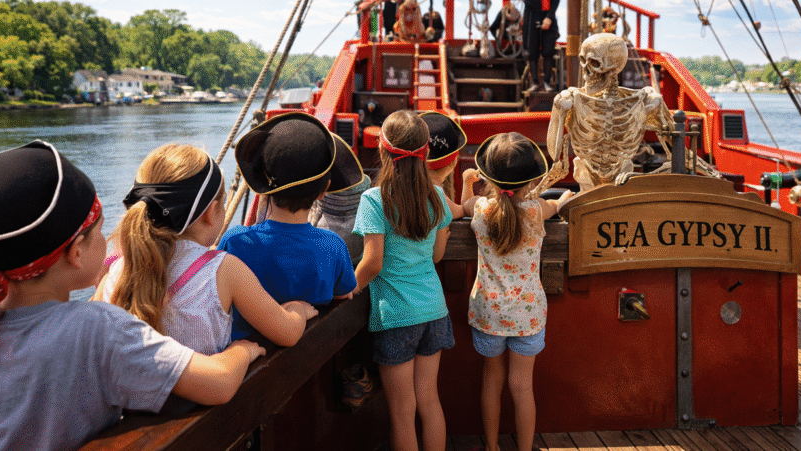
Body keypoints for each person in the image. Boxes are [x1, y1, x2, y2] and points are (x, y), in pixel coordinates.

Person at [0, 141, 266, 451]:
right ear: (77, 252)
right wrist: (243, 349)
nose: (108, 240)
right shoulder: (97, 329)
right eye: (99, 230)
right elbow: (219, 383)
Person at [93, 144, 316, 353]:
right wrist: (298, 310)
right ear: (212, 212)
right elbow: (287, 334)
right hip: (211, 392)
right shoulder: (224, 269)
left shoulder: (114, 273)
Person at [351, 110, 462, 451]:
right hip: (434, 311)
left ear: (383, 152)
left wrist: (346, 288)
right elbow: (436, 257)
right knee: (429, 402)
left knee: (402, 411)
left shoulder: (374, 199)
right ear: (426, 153)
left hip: (397, 316)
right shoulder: (437, 197)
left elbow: (372, 263)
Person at [459, 133, 571, 451]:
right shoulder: (536, 210)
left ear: (488, 175)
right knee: (522, 387)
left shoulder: (480, 209)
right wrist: (563, 200)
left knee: (491, 381)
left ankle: (491, 447)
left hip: (488, 312)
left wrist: (468, 181)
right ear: (531, 179)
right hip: (528, 312)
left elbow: (463, 204)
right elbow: (556, 203)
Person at [218, 112, 363, 341]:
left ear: (264, 184)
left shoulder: (235, 242)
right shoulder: (333, 246)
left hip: (246, 363)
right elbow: (344, 292)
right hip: (312, 359)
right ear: (324, 189)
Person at [421, 110, 467, 202]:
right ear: (453, 163)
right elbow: (466, 209)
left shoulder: (392, 192)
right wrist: (467, 183)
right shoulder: (444, 204)